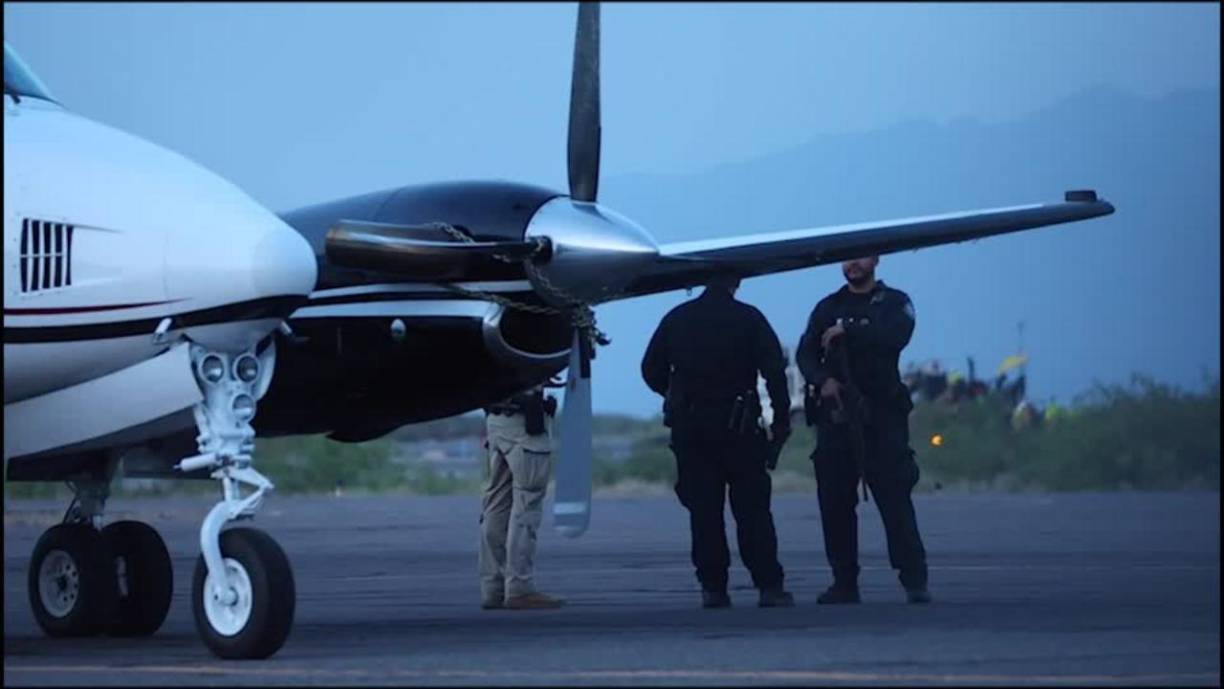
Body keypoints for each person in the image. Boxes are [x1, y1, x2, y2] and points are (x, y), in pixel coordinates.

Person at [641, 274, 795, 609]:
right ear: (736, 282)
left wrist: (675, 393)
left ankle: (713, 587)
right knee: (753, 512)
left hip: (692, 430)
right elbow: (774, 372)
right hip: (740, 429)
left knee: (704, 513)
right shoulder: (750, 318)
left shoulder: (676, 318)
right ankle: (768, 585)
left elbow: (650, 368)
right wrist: (781, 420)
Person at [797, 255, 931, 604]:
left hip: (881, 418)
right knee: (834, 503)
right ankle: (844, 582)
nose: (853, 265)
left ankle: (914, 579)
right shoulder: (828, 307)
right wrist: (822, 379)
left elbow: (894, 336)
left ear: (875, 260)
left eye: (860, 258)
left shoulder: (894, 303)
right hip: (837, 418)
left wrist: (851, 332)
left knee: (894, 499)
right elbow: (805, 354)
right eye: (847, 259)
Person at [478, 384, 564, 610]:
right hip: (522, 426)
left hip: (496, 421)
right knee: (527, 504)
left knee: (496, 504)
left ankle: (492, 588)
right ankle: (520, 586)